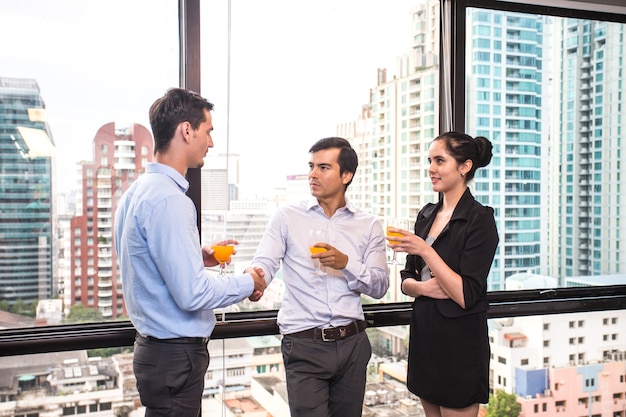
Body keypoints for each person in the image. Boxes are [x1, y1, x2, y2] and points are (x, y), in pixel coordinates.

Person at [114, 87, 266, 417]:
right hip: (174, 357)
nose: (211, 142)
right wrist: (248, 281)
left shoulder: (136, 193)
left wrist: (195, 256)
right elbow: (192, 293)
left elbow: (142, 260)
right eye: (208, 131)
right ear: (186, 130)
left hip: (156, 353)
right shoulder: (170, 200)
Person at [250, 137, 390, 417]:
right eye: (311, 166)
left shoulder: (369, 224)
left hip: (352, 344)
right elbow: (264, 262)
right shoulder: (287, 217)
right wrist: (255, 279)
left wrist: (346, 263)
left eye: (324, 167)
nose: (313, 174)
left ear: (346, 175)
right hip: (304, 345)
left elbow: (380, 285)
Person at [388, 131, 499, 417]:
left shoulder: (480, 219)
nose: (431, 168)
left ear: (464, 167)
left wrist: (425, 250)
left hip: (459, 345)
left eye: (440, 160)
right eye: (429, 161)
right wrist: (423, 289)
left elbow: (466, 294)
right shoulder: (426, 214)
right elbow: (407, 279)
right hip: (426, 336)